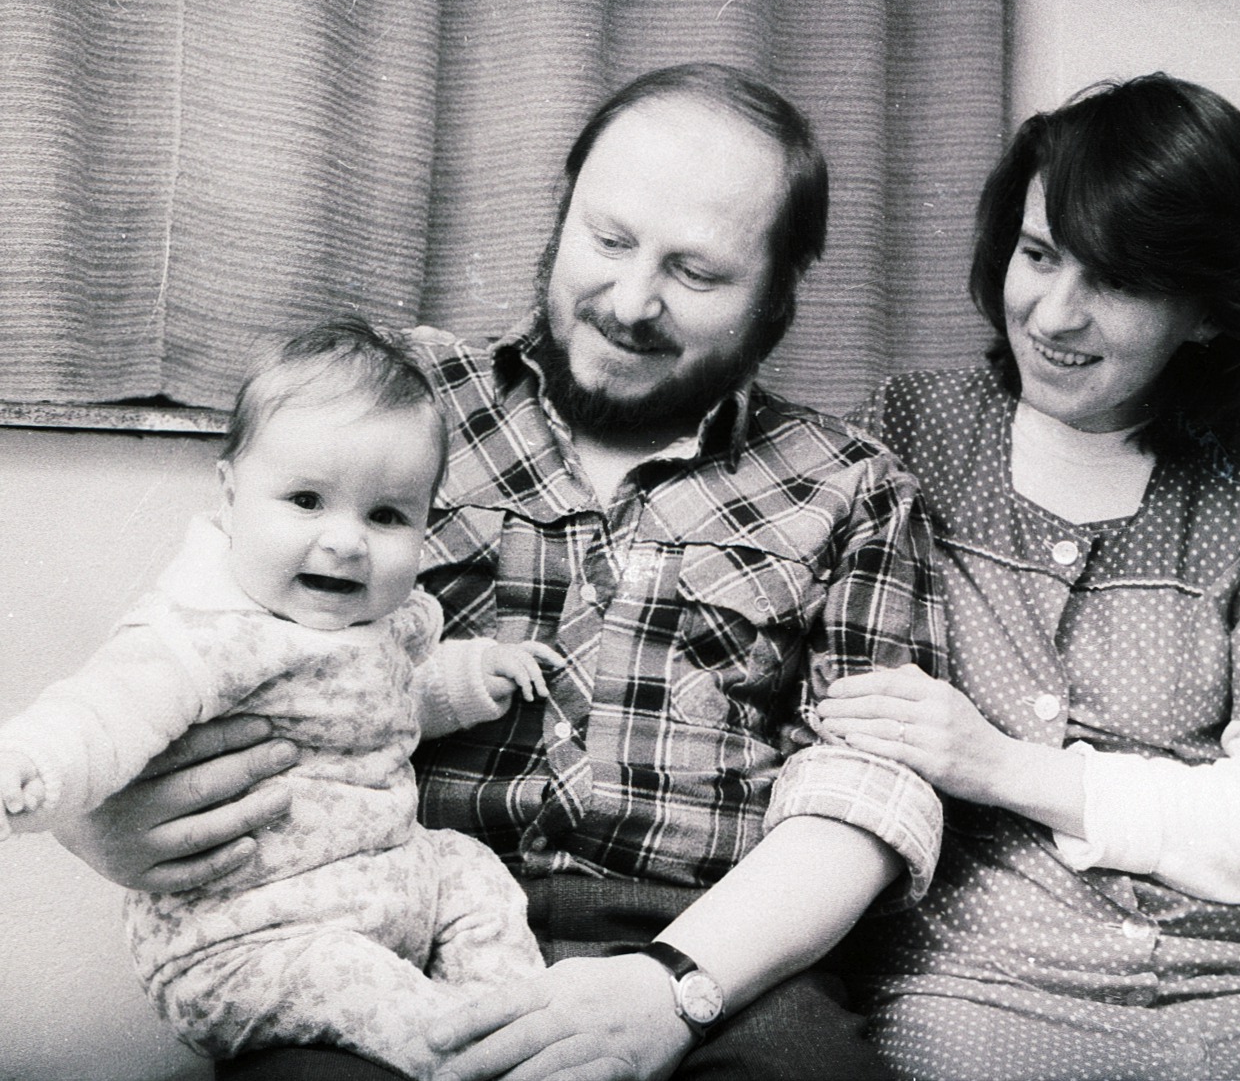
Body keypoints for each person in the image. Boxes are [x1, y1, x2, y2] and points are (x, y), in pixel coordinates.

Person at [57, 63, 943, 1081]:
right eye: (606, 240)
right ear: (561, 215)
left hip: (709, 958)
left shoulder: (851, 487)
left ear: (780, 296)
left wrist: (674, 984)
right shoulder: (397, 401)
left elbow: (866, 795)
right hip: (385, 928)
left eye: (696, 274)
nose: (631, 299)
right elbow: (196, 625)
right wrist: (101, 815)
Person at [816, 73, 1240, 1080]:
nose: (1054, 314)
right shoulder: (909, 431)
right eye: (1037, 255)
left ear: (1207, 313)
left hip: (1232, 988)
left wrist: (1003, 767)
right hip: (970, 980)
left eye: (1115, 282)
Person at [0, 317, 552, 1079]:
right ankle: (467, 1053)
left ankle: (516, 1020)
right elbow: (108, 710)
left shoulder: (381, 624)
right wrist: (33, 763)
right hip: (254, 942)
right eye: (305, 500)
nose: (347, 539)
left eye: (387, 515)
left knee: (472, 870)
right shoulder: (214, 633)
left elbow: (388, 705)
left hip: (386, 888)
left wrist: (468, 679)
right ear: (229, 497)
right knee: (359, 985)